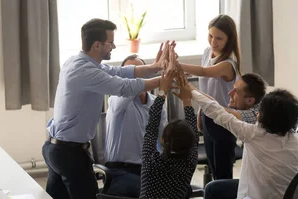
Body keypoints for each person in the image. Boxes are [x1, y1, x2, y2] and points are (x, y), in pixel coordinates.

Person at [42, 18, 171, 199]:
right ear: (97, 45)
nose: (114, 46)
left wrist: (156, 67)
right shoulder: (85, 71)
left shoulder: (78, 62)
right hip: (69, 154)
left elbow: (121, 72)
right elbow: (124, 87)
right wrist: (161, 82)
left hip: (57, 148)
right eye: (110, 42)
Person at [182, 81, 298, 198]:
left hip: (258, 194)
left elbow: (217, 112)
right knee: (213, 188)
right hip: (286, 194)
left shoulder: (253, 135)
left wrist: (190, 92)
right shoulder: (295, 138)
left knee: (213, 189)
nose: (257, 114)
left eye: (260, 111)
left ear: (268, 118)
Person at [178, 14, 242, 180]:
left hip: (223, 120)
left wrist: (176, 64)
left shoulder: (228, 64)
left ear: (229, 39)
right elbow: (206, 86)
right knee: (214, 169)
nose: (213, 42)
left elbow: (206, 72)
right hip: (208, 116)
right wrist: (201, 111)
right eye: (210, 36)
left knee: (222, 173)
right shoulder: (207, 53)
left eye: (219, 38)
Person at [102, 55, 167, 197]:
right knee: (149, 192)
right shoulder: (116, 99)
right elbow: (132, 89)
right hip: (120, 171)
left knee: (181, 189)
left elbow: (163, 142)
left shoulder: (157, 103)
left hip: (148, 170)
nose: (136, 78)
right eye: (132, 74)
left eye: (140, 73)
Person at [139, 47, 199, 198]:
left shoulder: (150, 162)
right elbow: (194, 135)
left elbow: (152, 126)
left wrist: (162, 91)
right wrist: (186, 100)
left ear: (163, 140)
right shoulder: (189, 164)